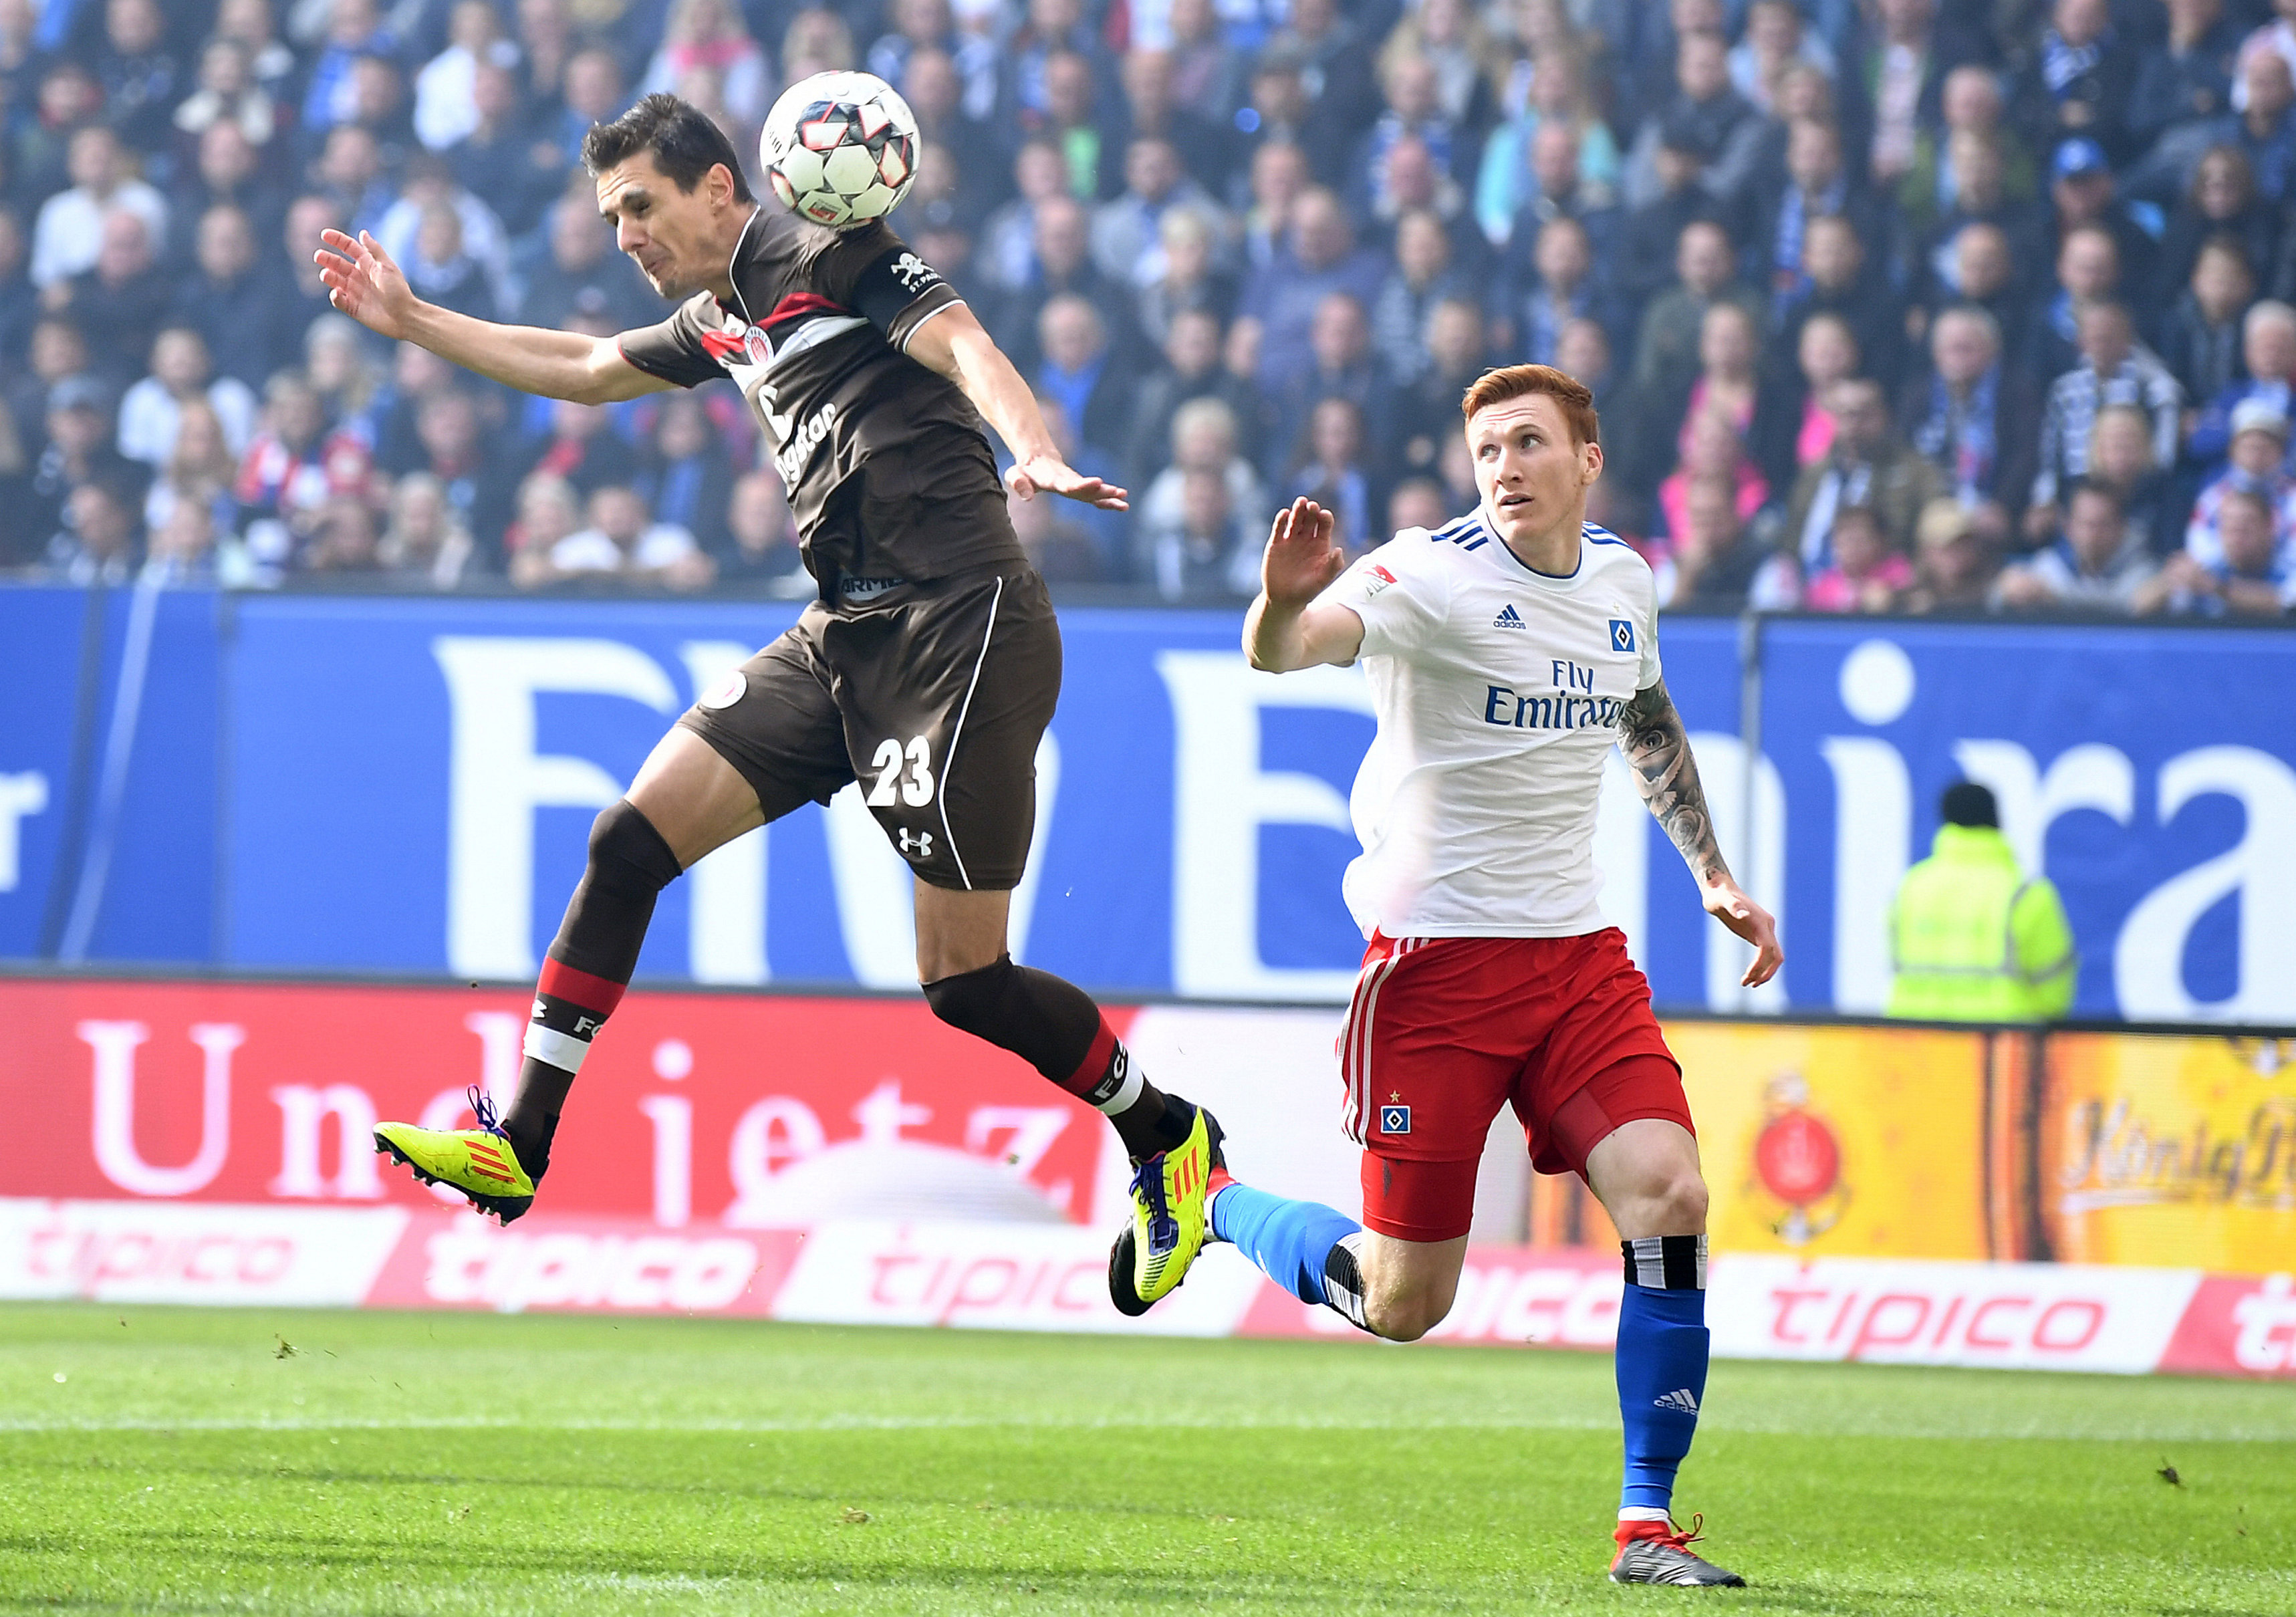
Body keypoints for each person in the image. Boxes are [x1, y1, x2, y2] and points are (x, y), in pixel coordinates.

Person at [318, 89, 1220, 1307]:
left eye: (640, 205)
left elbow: (965, 345)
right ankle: (517, 1141)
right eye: (608, 213)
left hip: (963, 626)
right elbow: (586, 367)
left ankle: (1167, 1137)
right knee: (626, 840)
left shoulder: (833, 256)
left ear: (721, 189)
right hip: (843, 629)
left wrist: (1029, 446)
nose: (623, 232)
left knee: (964, 981)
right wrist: (413, 318)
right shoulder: (719, 317)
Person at [1133, 364, 1781, 1588]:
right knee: (1401, 1298)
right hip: (1434, 973)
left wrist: (1710, 869)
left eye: (1531, 443)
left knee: (1671, 1193)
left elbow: (1645, 716)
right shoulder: (1428, 572)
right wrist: (1278, 606)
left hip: (1578, 963)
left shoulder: (1624, 577)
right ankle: (1208, 1191)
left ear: (1588, 460)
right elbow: (1290, 651)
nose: (1507, 467)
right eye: (1489, 449)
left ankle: (1647, 1521)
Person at [1886, 781, 2076, 1021]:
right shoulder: (2027, 893)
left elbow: (1896, 965)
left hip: (1918, 1045)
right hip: (1999, 1045)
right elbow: (2054, 991)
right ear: (1996, 819)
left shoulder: (1912, 887)